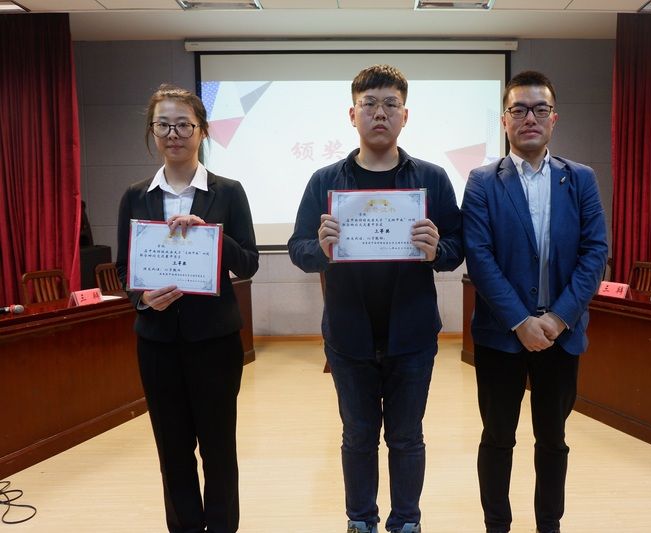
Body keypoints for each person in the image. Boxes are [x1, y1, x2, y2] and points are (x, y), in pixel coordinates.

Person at [288, 64, 463, 533]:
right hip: (349, 337)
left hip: (413, 335)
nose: (379, 113)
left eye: (390, 104)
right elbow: (298, 249)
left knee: (407, 438)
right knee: (358, 438)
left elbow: (457, 246)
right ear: (352, 114)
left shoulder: (431, 179)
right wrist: (321, 249)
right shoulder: (325, 180)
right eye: (369, 104)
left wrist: (437, 249)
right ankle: (360, 520)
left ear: (405, 115)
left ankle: (406, 522)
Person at [461, 71, 608, 533]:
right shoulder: (482, 181)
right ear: (504, 120)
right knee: (497, 438)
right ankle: (497, 525)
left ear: (553, 118)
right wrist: (521, 321)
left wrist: (559, 318)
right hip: (501, 336)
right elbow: (479, 257)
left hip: (561, 337)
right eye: (519, 109)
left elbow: (595, 252)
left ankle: (549, 524)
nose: (530, 118)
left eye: (540, 109)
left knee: (553, 439)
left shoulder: (579, 179)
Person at [116, 84, 259, 533]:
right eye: (163, 125)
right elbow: (123, 270)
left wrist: (211, 234)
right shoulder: (135, 195)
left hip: (214, 341)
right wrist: (141, 298)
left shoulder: (228, 192)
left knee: (218, 449)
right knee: (172, 451)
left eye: (183, 125)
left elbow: (248, 263)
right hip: (157, 343)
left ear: (202, 131)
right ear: (152, 131)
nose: (173, 134)